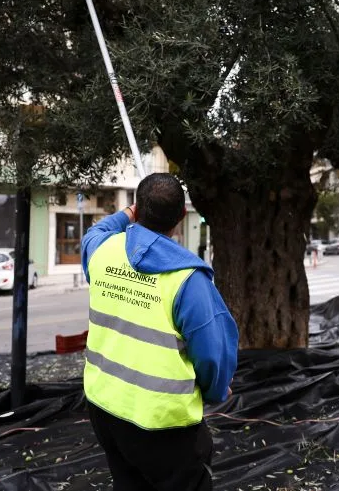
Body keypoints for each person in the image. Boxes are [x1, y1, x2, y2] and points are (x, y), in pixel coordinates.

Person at [81, 173, 239, 491]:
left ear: (137, 210)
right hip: (163, 425)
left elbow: (96, 230)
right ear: (181, 217)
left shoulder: (102, 251)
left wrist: (129, 212)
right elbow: (213, 355)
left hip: (104, 408)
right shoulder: (189, 280)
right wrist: (216, 392)